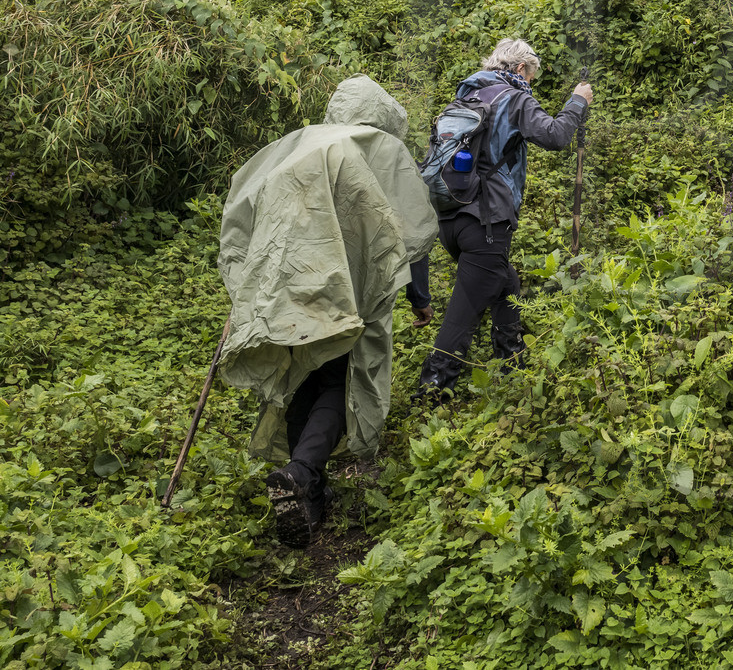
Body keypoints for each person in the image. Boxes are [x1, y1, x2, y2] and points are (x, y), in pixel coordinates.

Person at [217, 75, 437, 547]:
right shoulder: (379, 149)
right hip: (345, 287)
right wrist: (418, 297)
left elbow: (243, 214)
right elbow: (408, 232)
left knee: (303, 372)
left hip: (284, 281)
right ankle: (301, 473)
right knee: (340, 378)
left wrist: (247, 286)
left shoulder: (294, 145)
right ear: (383, 116)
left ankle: (310, 492)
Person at [413, 38, 592, 399]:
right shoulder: (513, 98)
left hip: (449, 219)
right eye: (532, 75)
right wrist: (578, 101)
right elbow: (555, 136)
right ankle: (432, 391)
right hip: (486, 224)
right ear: (521, 68)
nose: (531, 83)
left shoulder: (465, 98)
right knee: (463, 314)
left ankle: (512, 363)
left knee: (505, 281)